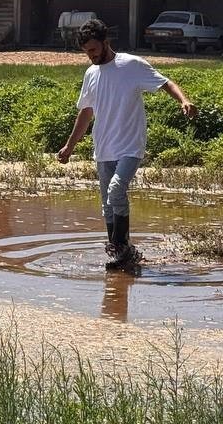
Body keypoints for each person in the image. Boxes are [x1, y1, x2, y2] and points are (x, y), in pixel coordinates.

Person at [56, 19, 197, 267]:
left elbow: (166, 83)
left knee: (116, 190)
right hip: (103, 147)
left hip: (130, 145)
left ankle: (120, 247)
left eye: (93, 50)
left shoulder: (131, 64)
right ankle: (123, 255)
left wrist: (183, 100)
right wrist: (70, 146)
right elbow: (86, 113)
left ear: (105, 42)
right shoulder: (91, 73)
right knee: (108, 206)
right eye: (86, 52)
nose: (90, 56)